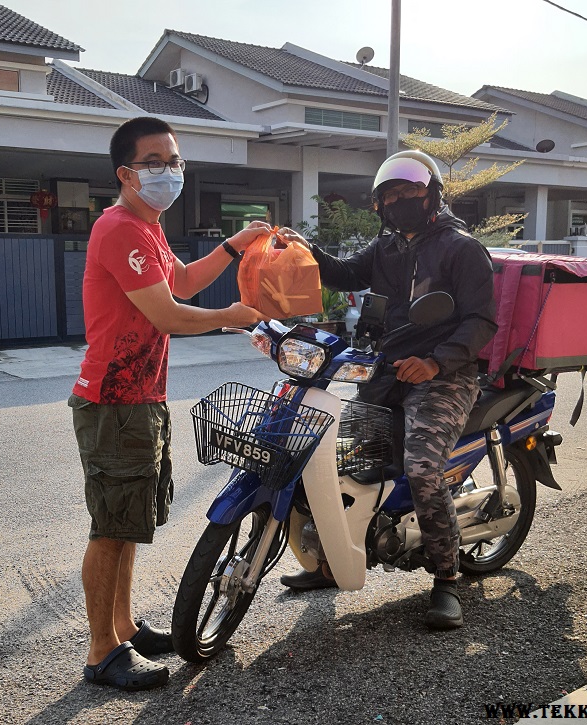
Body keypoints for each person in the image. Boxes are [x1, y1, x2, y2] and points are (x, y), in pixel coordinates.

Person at [68, 116, 267, 691]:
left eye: (175, 160)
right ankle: (102, 651)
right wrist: (232, 317)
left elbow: (179, 282)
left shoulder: (148, 227)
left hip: (141, 397)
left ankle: (124, 628)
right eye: (155, 161)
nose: (169, 170)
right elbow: (170, 315)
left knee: (128, 521)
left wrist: (234, 245)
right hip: (113, 401)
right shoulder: (120, 229)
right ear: (126, 173)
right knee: (110, 527)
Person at [278, 150, 497, 629]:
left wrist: (437, 361)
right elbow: (342, 274)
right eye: (389, 195)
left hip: (445, 377)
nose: (398, 201)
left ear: (432, 195)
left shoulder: (462, 248)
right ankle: (331, 560)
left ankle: (445, 579)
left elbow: (483, 321)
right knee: (332, 458)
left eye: (408, 192)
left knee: (421, 469)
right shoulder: (388, 248)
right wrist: (303, 247)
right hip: (387, 372)